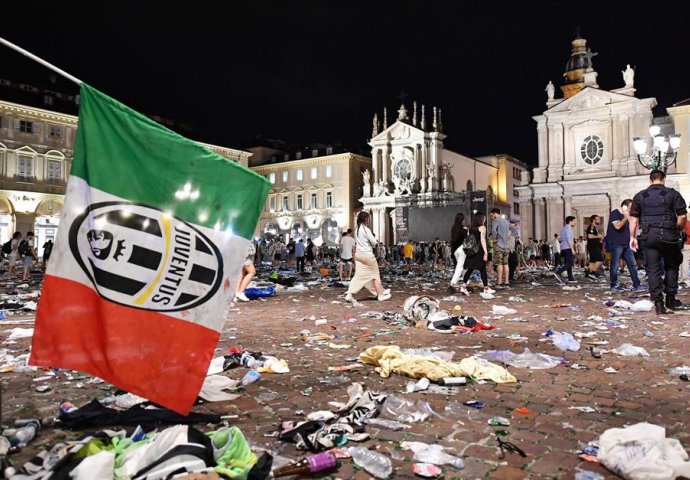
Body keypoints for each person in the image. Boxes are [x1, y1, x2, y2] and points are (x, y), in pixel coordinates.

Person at [630, 169, 687, 314]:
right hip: (669, 236)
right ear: (664, 179)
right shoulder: (673, 194)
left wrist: (632, 237)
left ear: (650, 180)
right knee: (672, 266)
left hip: (649, 237)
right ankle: (671, 299)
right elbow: (682, 217)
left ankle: (659, 304)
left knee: (653, 270)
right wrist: (678, 229)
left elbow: (633, 220)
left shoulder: (640, 196)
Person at [344, 212, 391, 302]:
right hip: (367, 255)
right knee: (375, 275)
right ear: (366, 219)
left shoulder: (356, 229)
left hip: (359, 255)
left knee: (358, 276)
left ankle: (349, 295)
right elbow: (373, 242)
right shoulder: (366, 229)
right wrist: (375, 242)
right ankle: (380, 295)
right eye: (368, 219)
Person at [607, 199, 645, 293]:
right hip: (616, 244)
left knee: (632, 264)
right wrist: (625, 217)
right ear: (624, 207)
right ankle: (614, 285)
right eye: (630, 207)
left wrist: (634, 239)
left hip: (627, 244)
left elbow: (631, 229)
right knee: (615, 266)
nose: (632, 209)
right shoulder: (615, 213)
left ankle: (637, 284)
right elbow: (618, 226)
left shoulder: (629, 215)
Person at [459, 212, 494, 295]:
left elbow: (469, 239)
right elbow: (482, 240)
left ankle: (463, 286)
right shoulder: (482, 227)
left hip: (472, 251)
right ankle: (486, 288)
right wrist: (485, 252)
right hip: (479, 251)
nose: (485, 219)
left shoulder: (471, 228)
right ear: (480, 219)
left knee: (470, 269)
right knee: (482, 269)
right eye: (484, 218)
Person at [490, 208, 511, 289]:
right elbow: (513, 230)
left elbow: (494, 231)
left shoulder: (495, 221)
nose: (491, 217)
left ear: (495, 213)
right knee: (505, 264)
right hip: (506, 246)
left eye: (492, 215)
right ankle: (506, 282)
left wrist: (494, 239)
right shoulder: (506, 221)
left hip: (499, 245)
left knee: (499, 264)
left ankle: (499, 283)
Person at [449, 212, 468, 291]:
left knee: (463, 267)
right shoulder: (463, 229)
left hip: (455, 250)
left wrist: (452, 252)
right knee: (460, 267)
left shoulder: (454, 228)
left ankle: (466, 281)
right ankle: (453, 282)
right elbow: (467, 238)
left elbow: (453, 241)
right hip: (461, 249)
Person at [555, 216, 576, 282]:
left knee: (568, 263)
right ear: (570, 221)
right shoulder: (568, 229)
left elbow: (561, 239)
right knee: (570, 263)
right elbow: (568, 239)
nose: (575, 223)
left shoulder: (563, 229)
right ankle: (558, 272)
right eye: (574, 221)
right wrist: (572, 249)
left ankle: (571, 278)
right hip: (567, 247)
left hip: (563, 248)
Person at [585, 214, 605, 279]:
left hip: (593, 246)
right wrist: (599, 236)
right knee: (600, 259)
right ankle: (593, 273)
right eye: (598, 219)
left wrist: (600, 238)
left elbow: (593, 235)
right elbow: (589, 236)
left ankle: (589, 273)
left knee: (593, 261)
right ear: (593, 220)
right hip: (593, 246)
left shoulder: (594, 227)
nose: (599, 220)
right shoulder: (591, 227)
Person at [681, 221, 690, 287]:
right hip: (687, 243)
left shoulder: (679, 222)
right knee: (685, 261)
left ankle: (680, 277)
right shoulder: (687, 223)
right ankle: (685, 278)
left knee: (681, 261)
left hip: (679, 244)